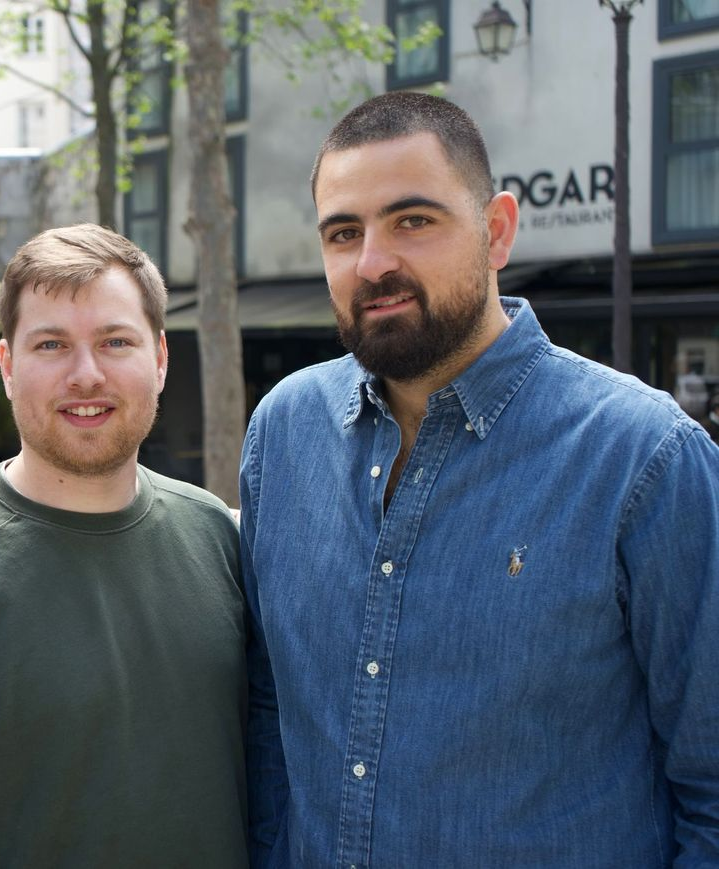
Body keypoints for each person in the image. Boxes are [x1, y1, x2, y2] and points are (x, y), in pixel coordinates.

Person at [240, 91, 719, 867]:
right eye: (343, 232)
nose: (373, 262)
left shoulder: (645, 457)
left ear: (497, 231)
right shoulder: (282, 434)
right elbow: (271, 718)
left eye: (413, 221)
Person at [0, 224, 248, 868]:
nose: (86, 374)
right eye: (52, 345)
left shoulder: (216, 534)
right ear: (9, 367)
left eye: (114, 341)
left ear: (159, 358)